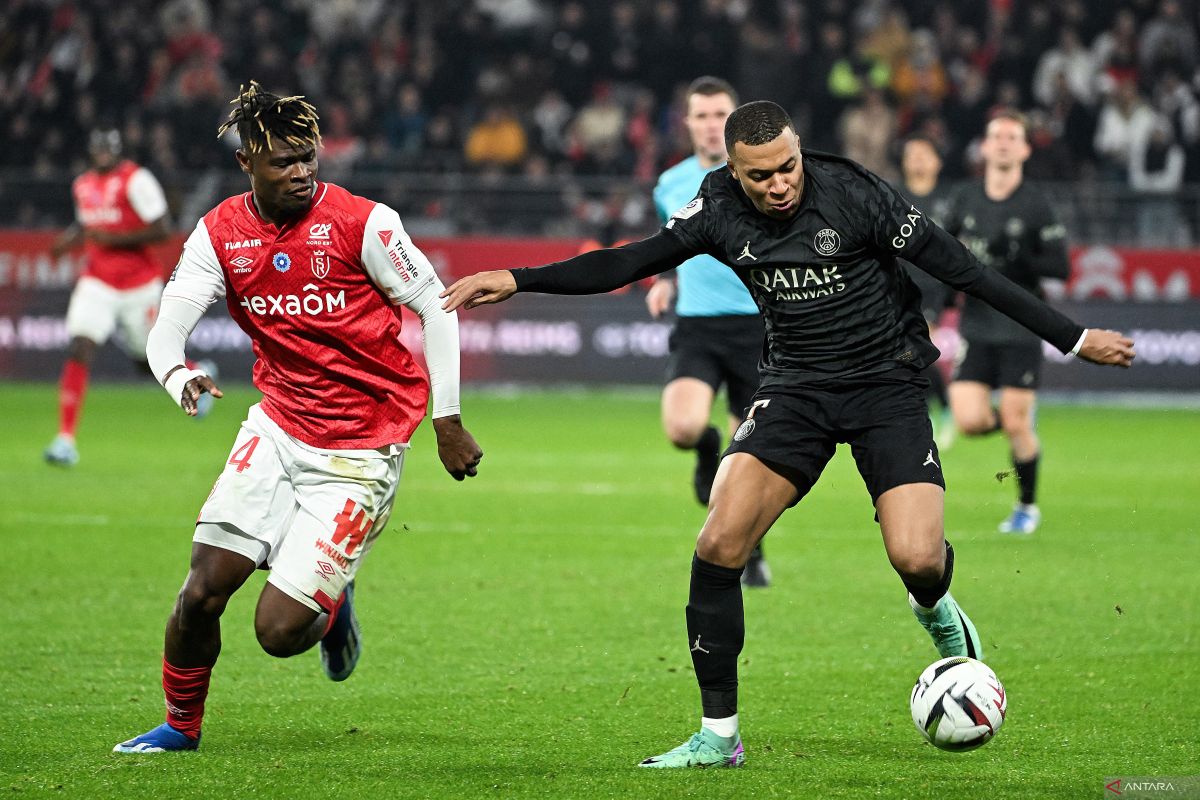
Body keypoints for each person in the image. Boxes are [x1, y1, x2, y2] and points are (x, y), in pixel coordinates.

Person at [441, 101, 1134, 768]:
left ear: (800, 150)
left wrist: (1075, 339)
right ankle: (718, 737)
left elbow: (969, 273)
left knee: (917, 558)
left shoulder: (857, 194)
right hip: (796, 388)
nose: (779, 185)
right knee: (718, 542)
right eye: (761, 175)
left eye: (787, 167)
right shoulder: (715, 207)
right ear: (735, 171)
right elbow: (629, 260)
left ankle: (936, 607)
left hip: (886, 384)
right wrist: (518, 278)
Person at [113, 82, 483, 754]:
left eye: (307, 157)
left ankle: (332, 607)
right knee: (202, 588)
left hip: (361, 450)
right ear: (246, 164)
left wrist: (446, 418)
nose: (301, 172)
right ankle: (180, 728)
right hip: (277, 429)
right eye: (283, 161)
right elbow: (166, 331)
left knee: (278, 632)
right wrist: (178, 373)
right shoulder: (220, 232)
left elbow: (437, 306)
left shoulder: (364, 223)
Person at [646, 76, 770, 588]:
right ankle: (705, 445)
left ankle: (751, 552)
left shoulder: (762, 174)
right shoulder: (670, 184)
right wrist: (664, 281)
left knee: (752, 460)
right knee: (682, 428)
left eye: (721, 114)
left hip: (760, 328)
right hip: (698, 326)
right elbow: (671, 243)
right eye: (701, 115)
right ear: (688, 122)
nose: (711, 124)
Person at [943, 111, 1070, 535]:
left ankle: (1026, 507)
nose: (1001, 143)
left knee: (1016, 422)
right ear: (984, 145)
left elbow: (1061, 265)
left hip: (1020, 325)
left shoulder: (1035, 203)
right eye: (995, 135)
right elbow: (939, 252)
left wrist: (1019, 254)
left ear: (1024, 149)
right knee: (969, 421)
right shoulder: (964, 198)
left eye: (1011, 137)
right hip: (976, 325)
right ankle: (1017, 420)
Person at [44, 128, 179, 467]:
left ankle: (191, 372)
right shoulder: (82, 184)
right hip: (98, 282)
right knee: (80, 346)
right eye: (98, 147)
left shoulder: (137, 180)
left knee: (145, 361)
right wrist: (66, 241)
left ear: (118, 149)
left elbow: (163, 228)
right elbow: (88, 226)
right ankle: (65, 439)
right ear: (91, 150)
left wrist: (112, 239)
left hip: (139, 284)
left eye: (109, 147)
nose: (103, 153)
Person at [897, 136, 955, 449]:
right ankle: (933, 409)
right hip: (894, 288)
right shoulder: (893, 197)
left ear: (937, 162)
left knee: (917, 350)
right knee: (906, 354)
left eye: (924, 153)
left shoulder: (948, 201)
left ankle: (942, 410)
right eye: (912, 154)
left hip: (931, 290)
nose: (917, 160)